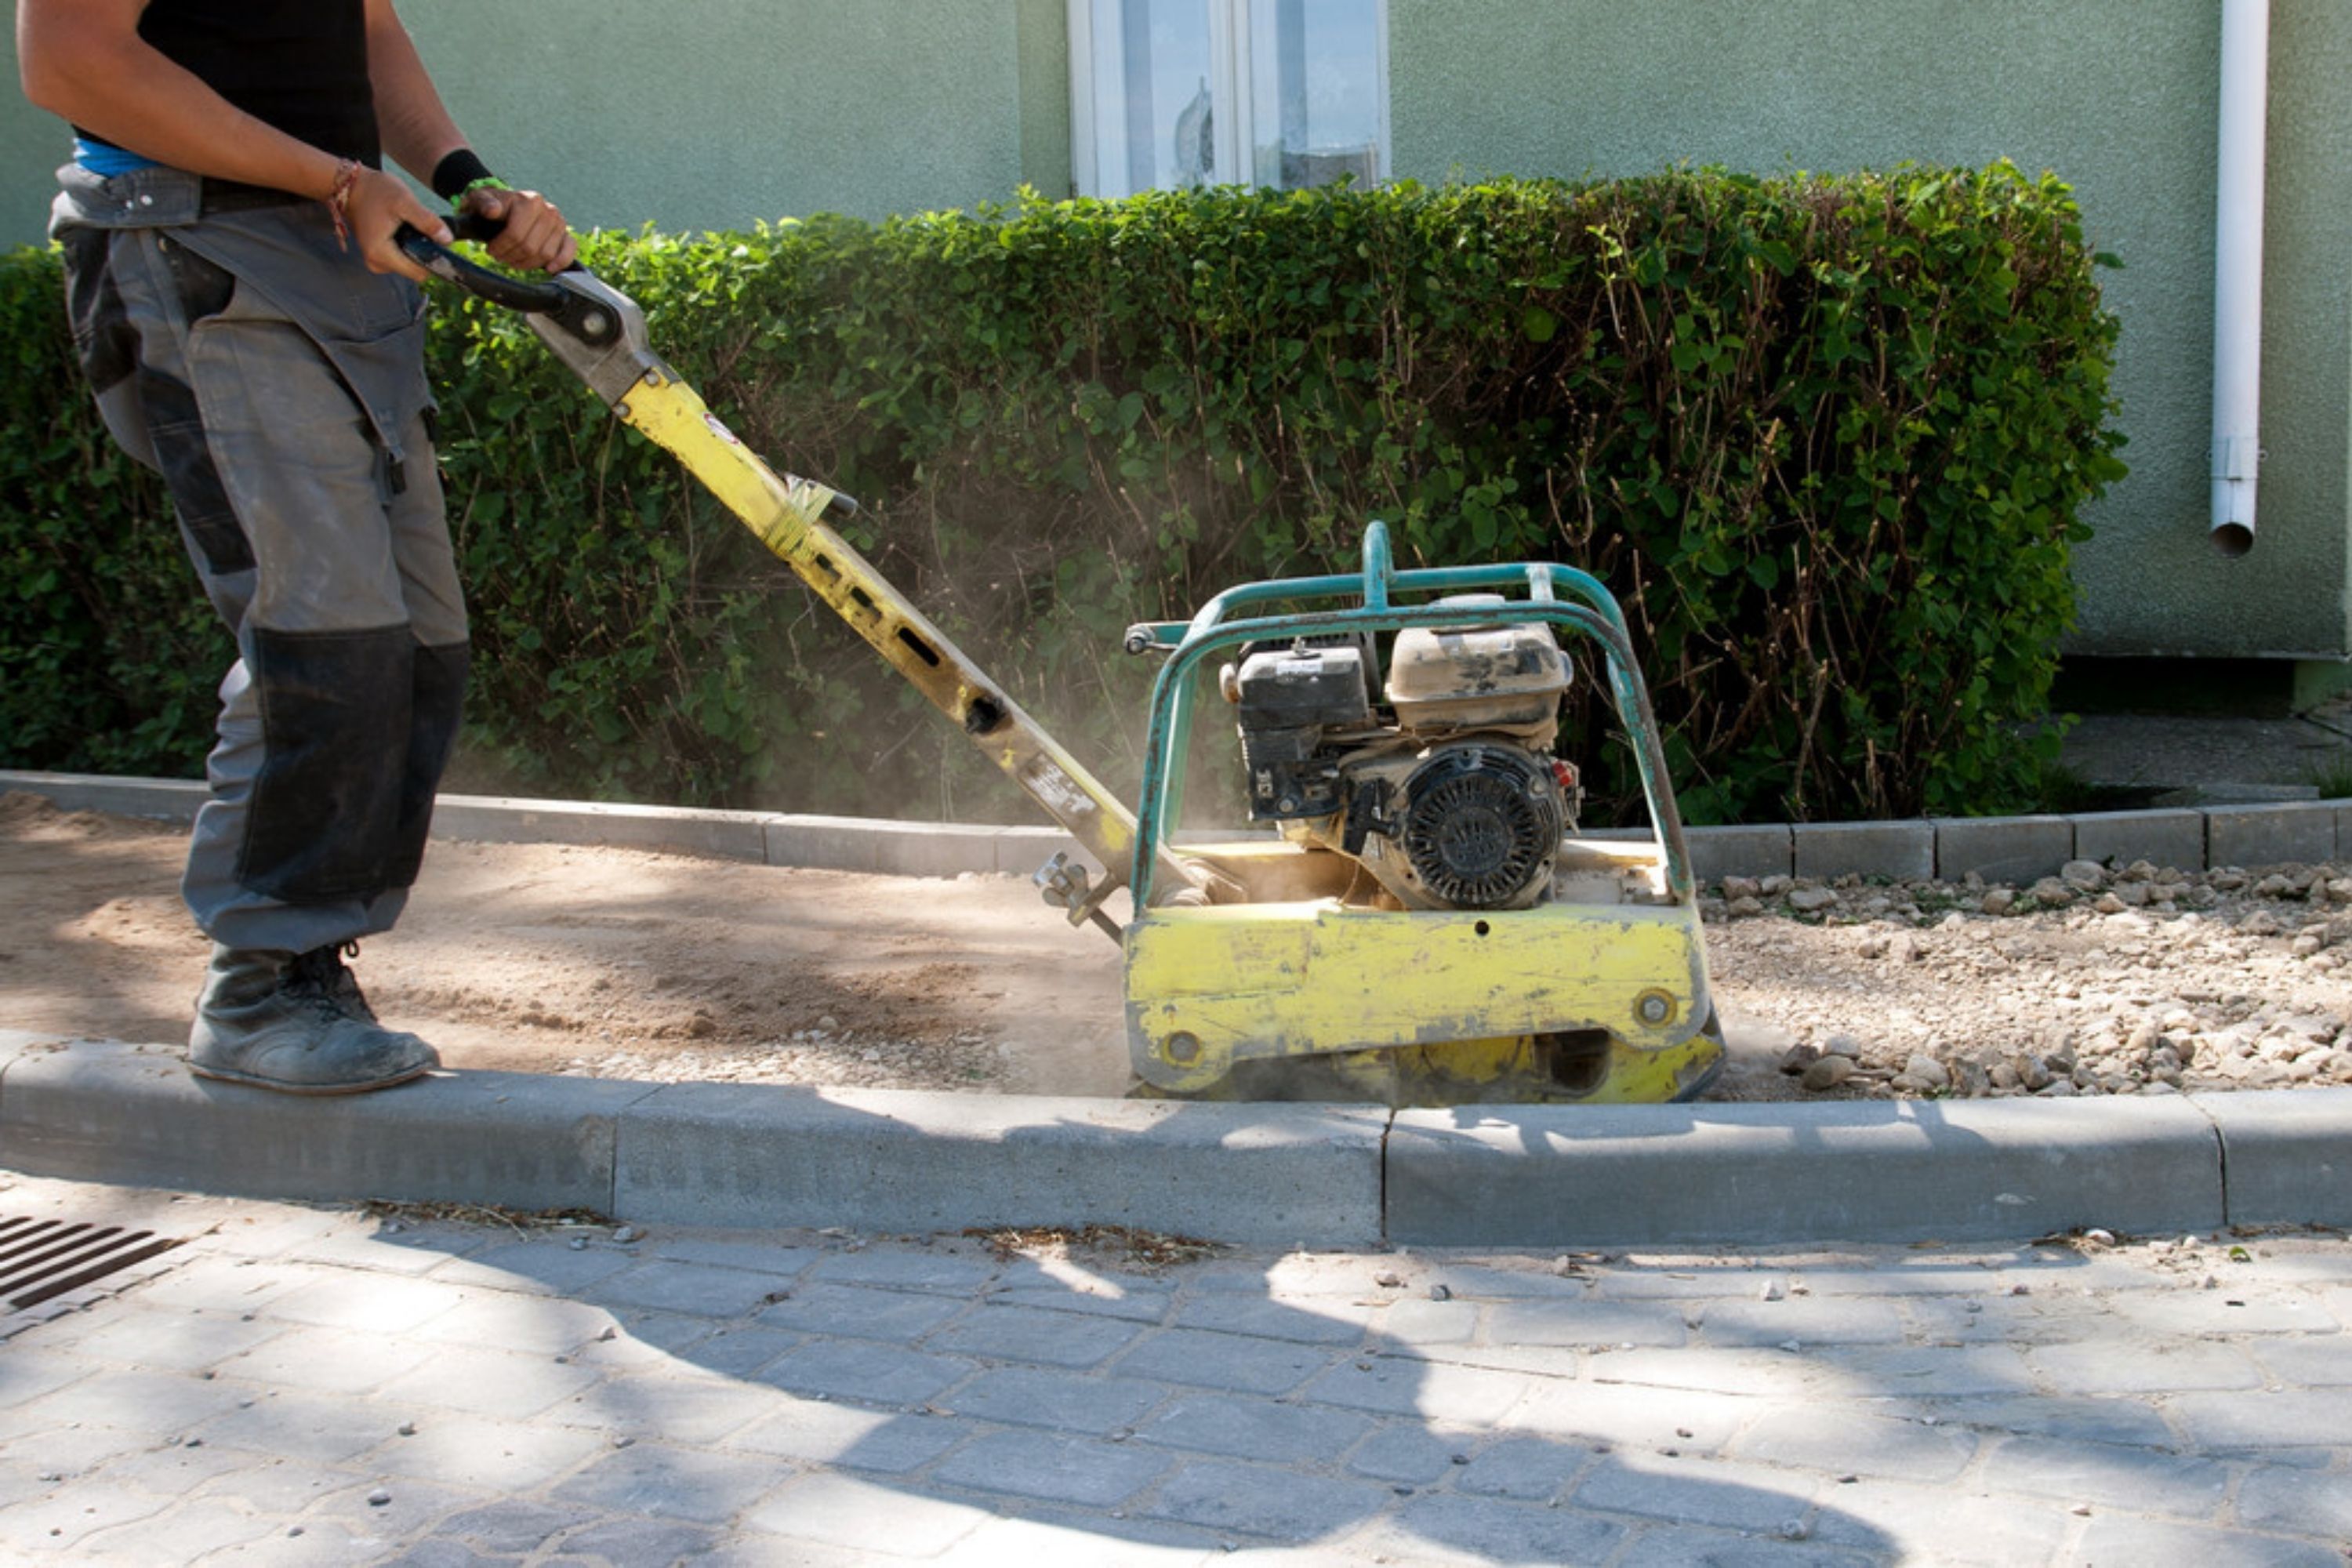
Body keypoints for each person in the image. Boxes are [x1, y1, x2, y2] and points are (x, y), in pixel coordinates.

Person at [16, 0, 576, 1094]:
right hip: (192, 243)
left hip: (328, 255)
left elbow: (364, 30)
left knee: (416, 640)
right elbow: (69, 57)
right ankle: (258, 984)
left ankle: (309, 964)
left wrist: (465, 182)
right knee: (321, 628)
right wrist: (335, 179)